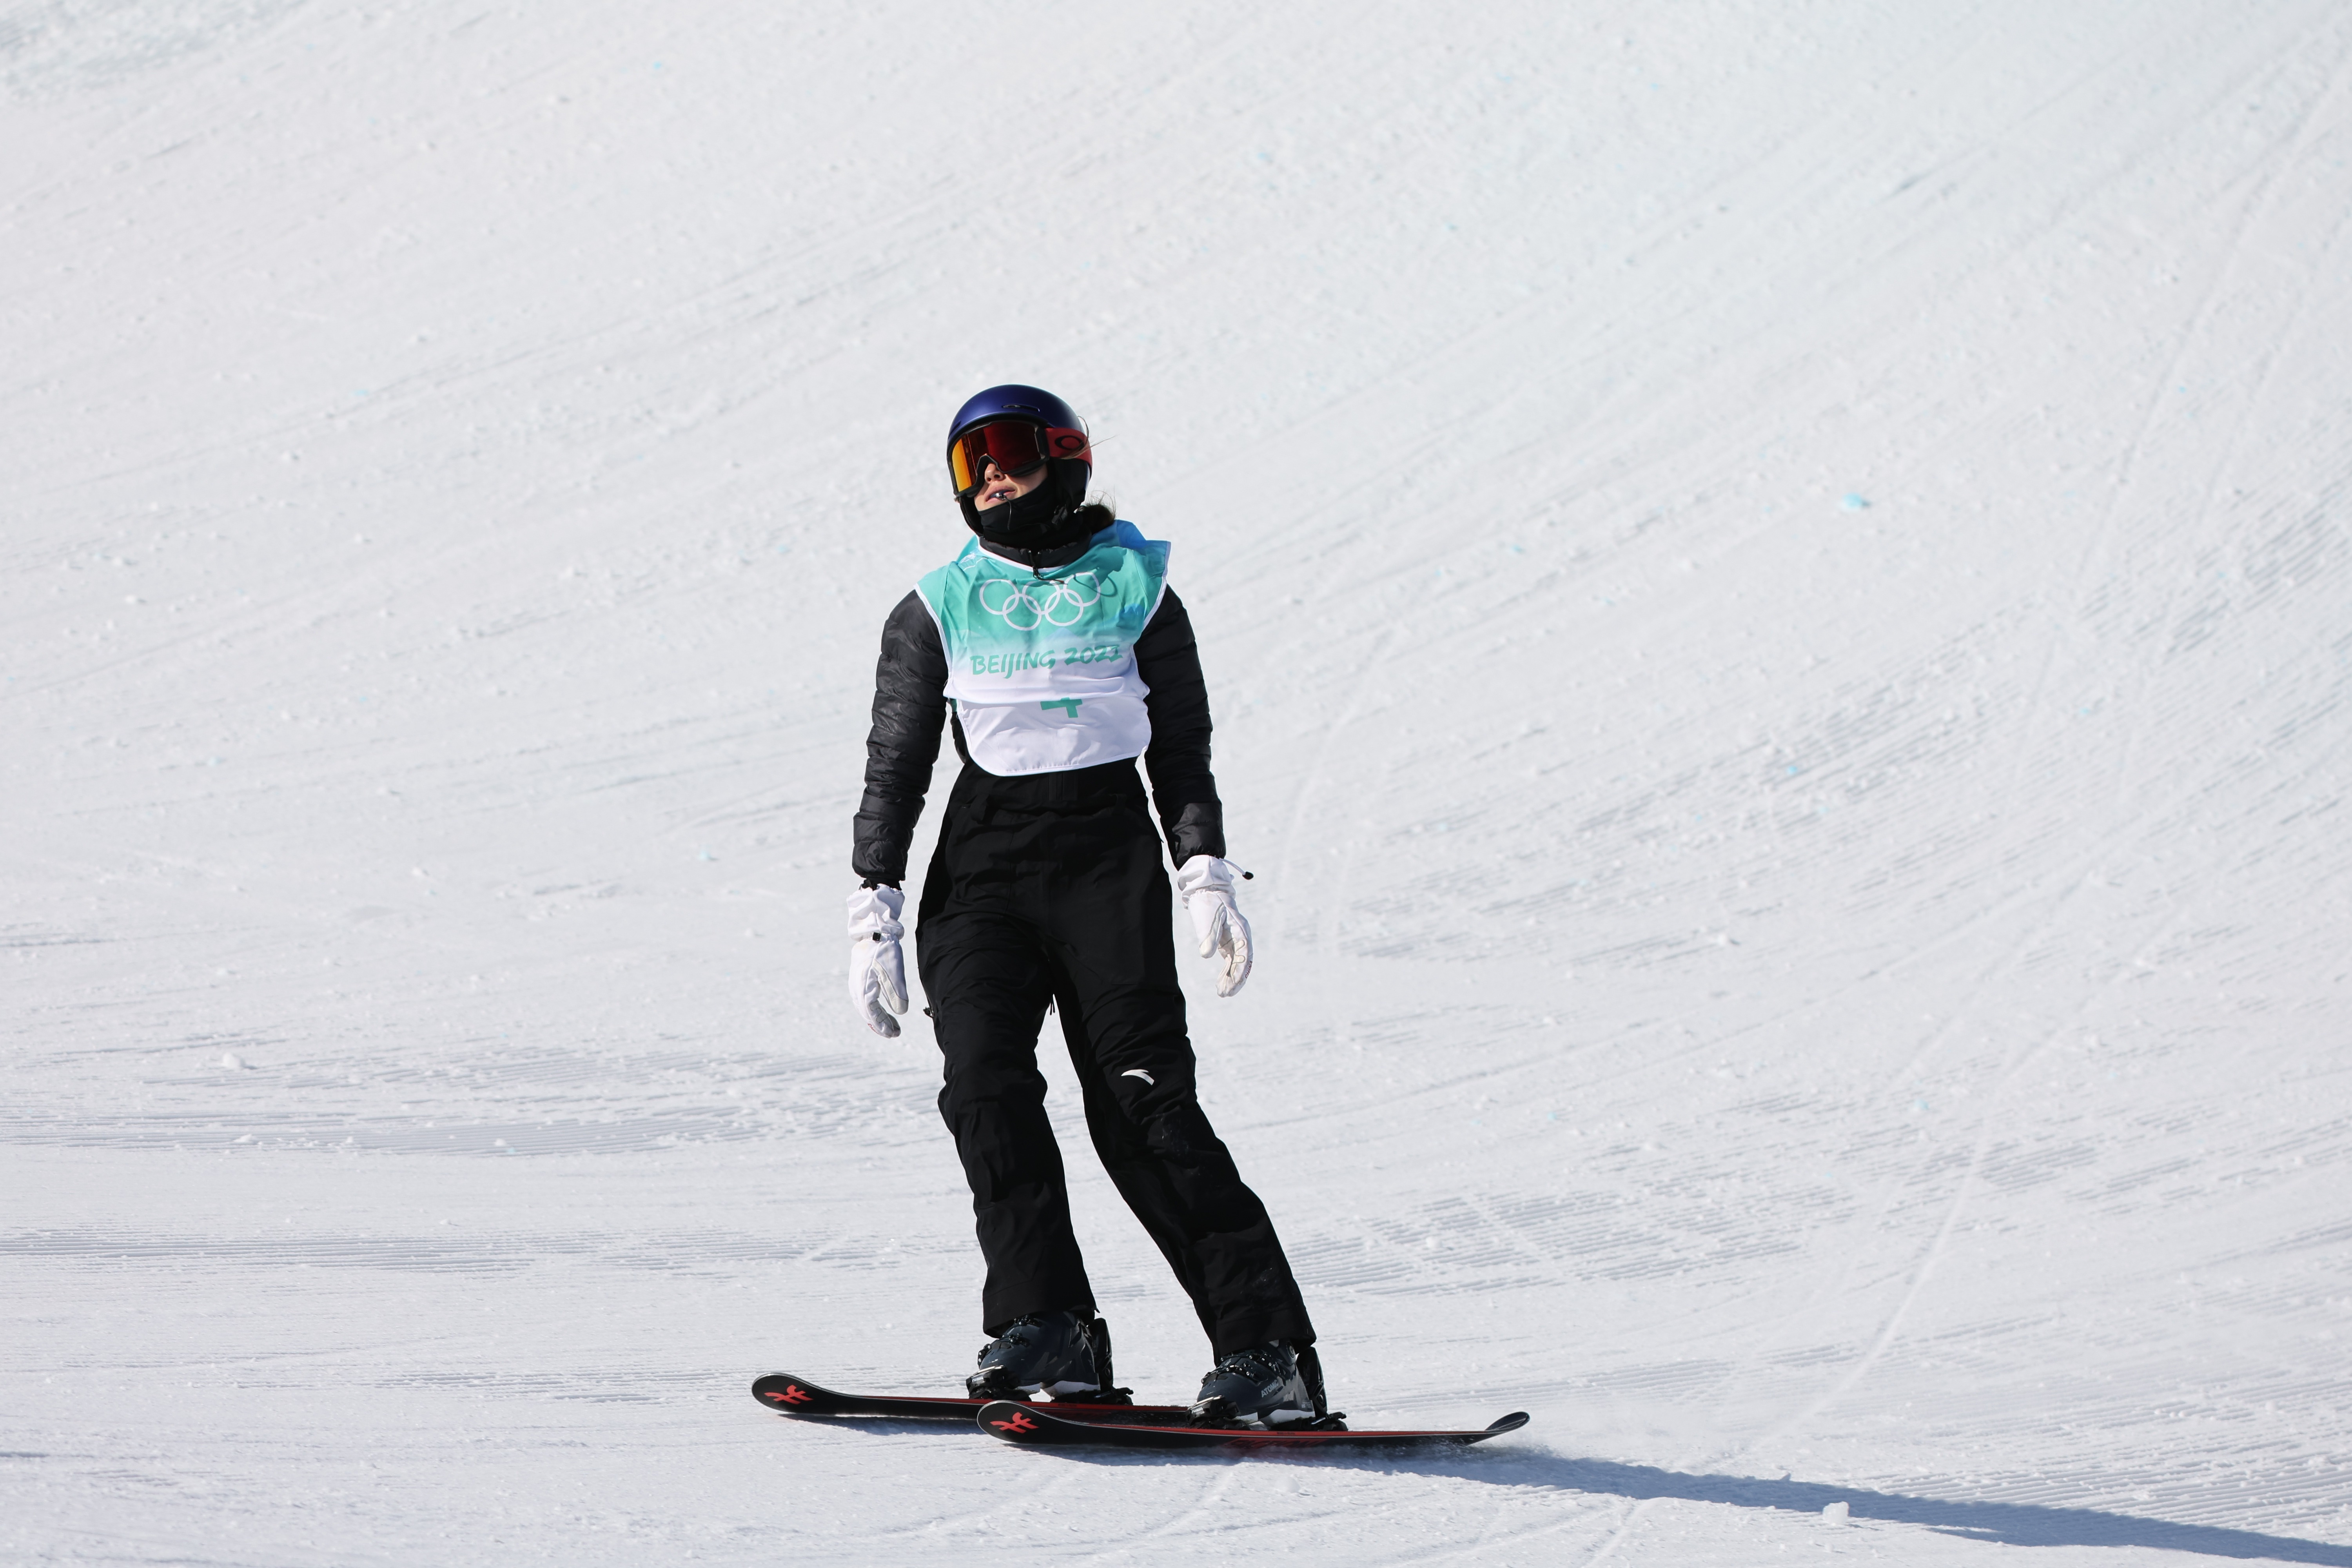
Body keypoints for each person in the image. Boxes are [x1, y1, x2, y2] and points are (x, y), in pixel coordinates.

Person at [844, 384, 1327, 1428]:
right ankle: (1047, 1325)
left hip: (1108, 863)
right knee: (985, 1086)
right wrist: (874, 904)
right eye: (971, 464)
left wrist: (1203, 875)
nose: (994, 478)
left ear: (1066, 457)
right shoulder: (938, 603)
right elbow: (896, 763)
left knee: (1143, 1110)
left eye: (1011, 453)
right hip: (981, 875)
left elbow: (1183, 752)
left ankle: (1268, 1349)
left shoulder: (1138, 590)